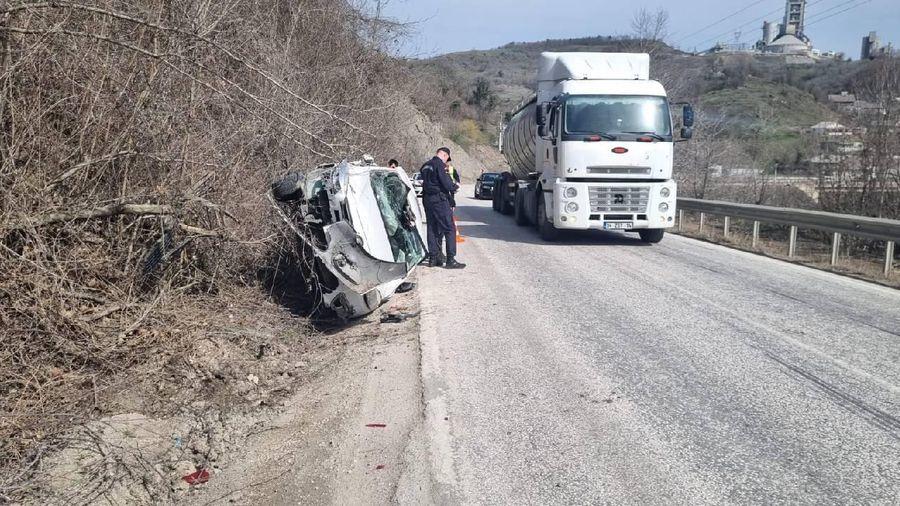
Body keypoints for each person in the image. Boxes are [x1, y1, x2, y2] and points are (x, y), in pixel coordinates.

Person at [420, 147, 466, 269]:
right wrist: (455, 187)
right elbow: (446, 183)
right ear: (445, 155)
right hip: (439, 200)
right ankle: (451, 260)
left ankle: (433, 259)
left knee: (432, 228)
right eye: (446, 158)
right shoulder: (439, 165)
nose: (446, 161)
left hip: (427, 199)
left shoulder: (425, 165)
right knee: (449, 228)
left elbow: (423, 182)